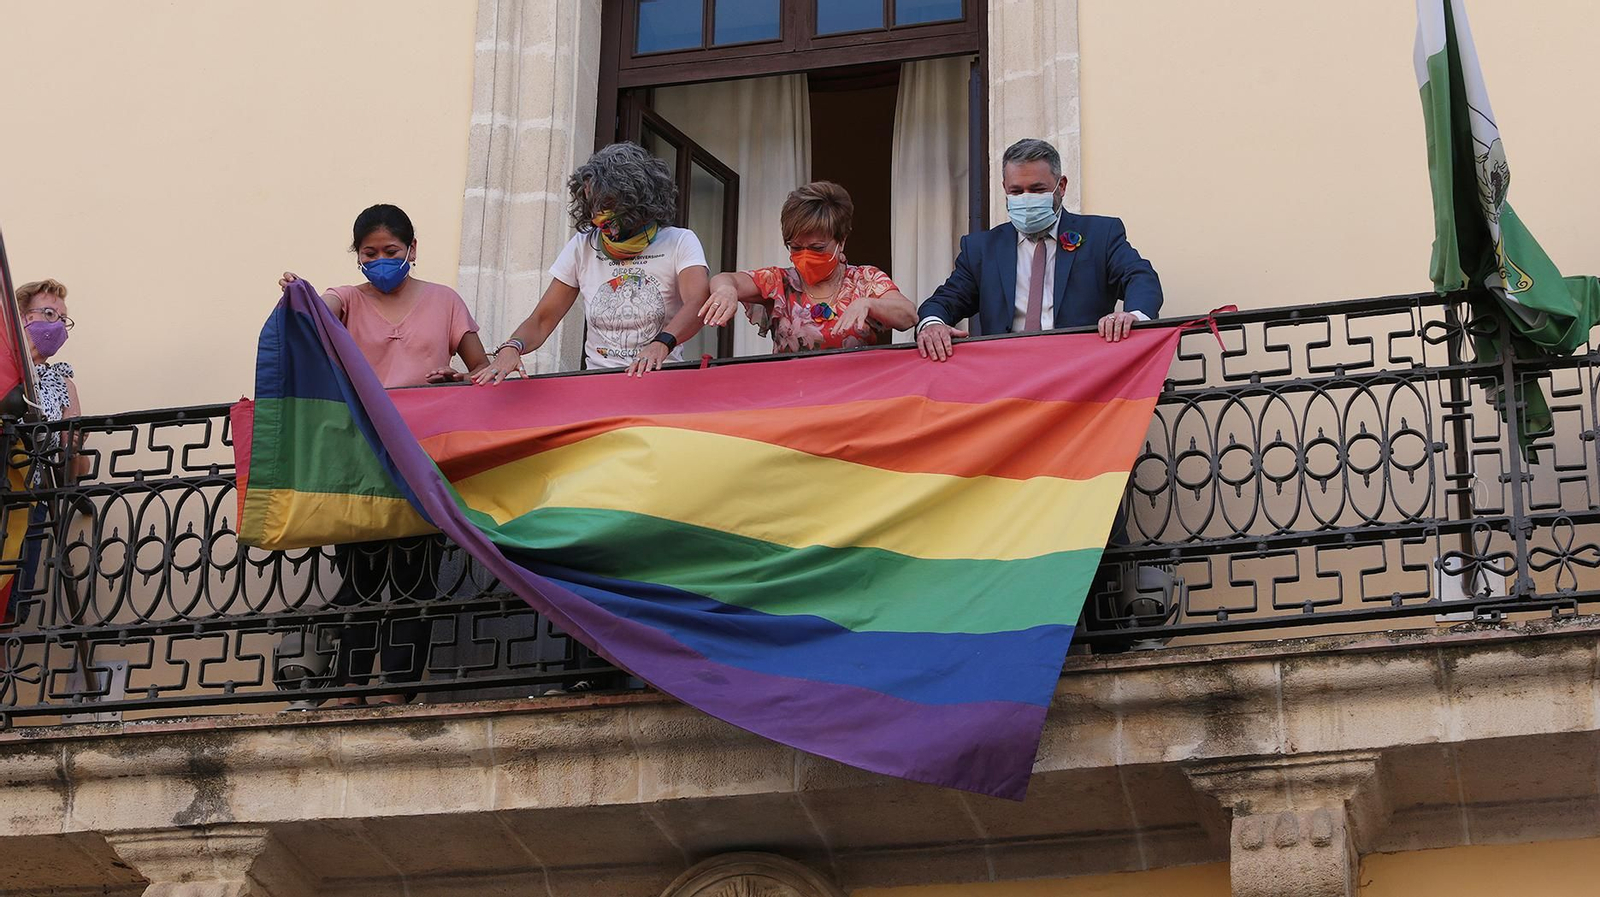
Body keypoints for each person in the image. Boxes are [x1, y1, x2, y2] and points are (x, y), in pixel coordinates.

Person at [278, 204, 488, 706]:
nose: (380, 260)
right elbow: (313, 315)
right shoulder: (349, 300)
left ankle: (398, 689)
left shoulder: (445, 301)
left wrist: (459, 377)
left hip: (423, 453)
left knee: (415, 575)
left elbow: (481, 369)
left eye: (390, 252)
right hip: (360, 453)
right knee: (358, 573)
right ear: (357, 257)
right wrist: (298, 295)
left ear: (412, 251)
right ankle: (351, 686)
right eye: (369, 253)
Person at [473, 142, 711, 382]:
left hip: (663, 380)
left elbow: (698, 303)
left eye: (606, 205)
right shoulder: (583, 244)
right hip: (599, 383)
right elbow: (542, 319)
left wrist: (662, 343)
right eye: (592, 205)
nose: (597, 217)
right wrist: (511, 347)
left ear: (637, 200)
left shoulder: (679, 241)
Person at [915, 138, 1163, 360]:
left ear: (1061, 186)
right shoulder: (981, 249)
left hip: (1080, 376)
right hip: (1007, 381)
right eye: (1016, 191)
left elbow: (1140, 277)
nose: (1026, 198)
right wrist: (932, 324)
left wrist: (1134, 316)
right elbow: (944, 301)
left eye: (1037, 190)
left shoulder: (1100, 235)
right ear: (1004, 189)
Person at [699, 181, 916, 352]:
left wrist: (869, 304)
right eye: (796, 248)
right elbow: (727, 279)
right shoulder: (781, 282)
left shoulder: (864, 279)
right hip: (794, 400)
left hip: (854, 400)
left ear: (841, 241)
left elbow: (908, 316)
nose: (805, 256)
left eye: (817, 248)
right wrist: (726, 290)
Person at [9, 279, 87, 625]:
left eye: (63, 319)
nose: (57, 326)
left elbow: (77, 461)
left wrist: (72, 448)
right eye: (49, 313)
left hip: (32, 502)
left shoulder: (63, 383)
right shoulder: (4, 367)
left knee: (10, 605)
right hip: (5, 484)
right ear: (22, 318)